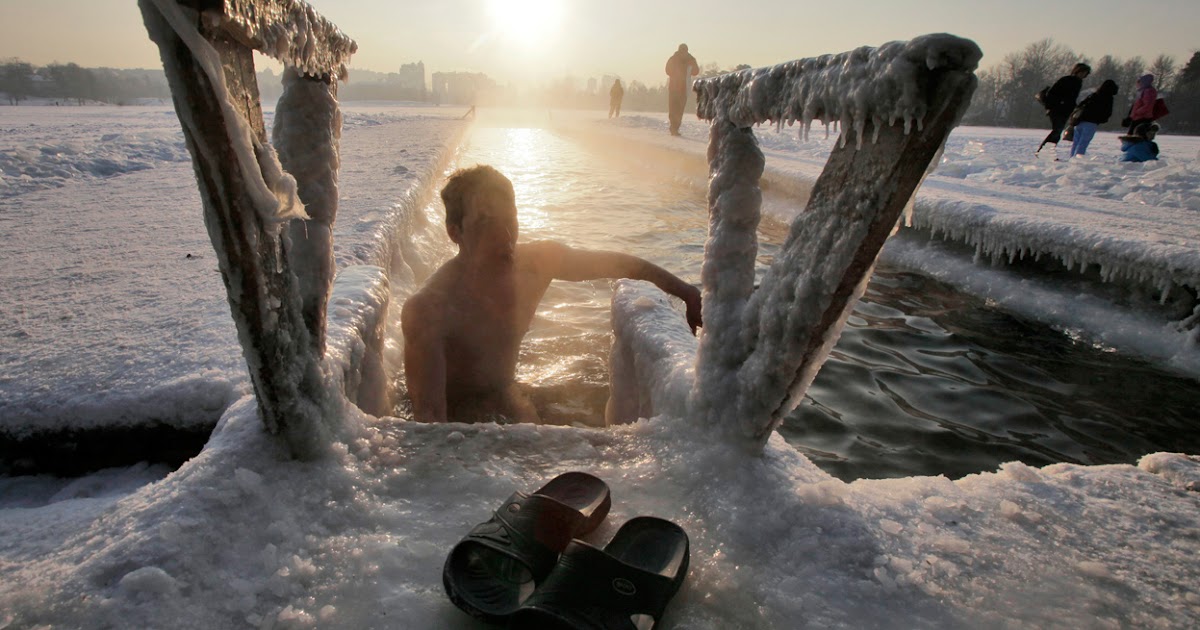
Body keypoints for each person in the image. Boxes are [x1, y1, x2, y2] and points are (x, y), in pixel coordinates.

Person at [401, 165, 703, 425]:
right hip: (458, 415)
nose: (503, 235)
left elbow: (618, 264)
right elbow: (428, 423)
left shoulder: (535, 265)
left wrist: (686, 291)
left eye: (510, 218)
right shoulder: (430, 309)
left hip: (506, 394)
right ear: (455, 233)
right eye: (484, 223)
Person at [1037, 63, 1090, 156]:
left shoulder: (1078, 82)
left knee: (1057, 131)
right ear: (1077, 71)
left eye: (1085, 73)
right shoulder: (1067, 80)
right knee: (1057, 131)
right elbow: (1053, 93)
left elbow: (1072, 98)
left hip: (1065, 110)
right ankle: (1043, 152)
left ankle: (1046, 151)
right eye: (1082, 72)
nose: (1083, 75)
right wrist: (1059, 103)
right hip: (1057, 109)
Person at [1069, 79, 1119, 158]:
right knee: (1084, 142)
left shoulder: (1093, 95)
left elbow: (1080, 105)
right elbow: (1107, 111)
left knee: (1076, 141)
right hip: (1091, 123)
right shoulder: (1108, 98)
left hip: (1079, 121)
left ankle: (1072, 157)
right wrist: (1102, 119)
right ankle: (1078, 158)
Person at [664, 43, 699, 136]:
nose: (683, 53)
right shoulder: (673, 59)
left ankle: (675, 128)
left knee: (679, 110)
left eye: (684, 51)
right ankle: (673, 128)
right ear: (679, 50)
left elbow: (696, 71)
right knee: (673, 109)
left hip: (683, 89)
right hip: (674, 88)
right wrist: (676, 72)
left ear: (687, 51)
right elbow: (667, 70)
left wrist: (689, 70)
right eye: (681, 51)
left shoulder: (691, 60)